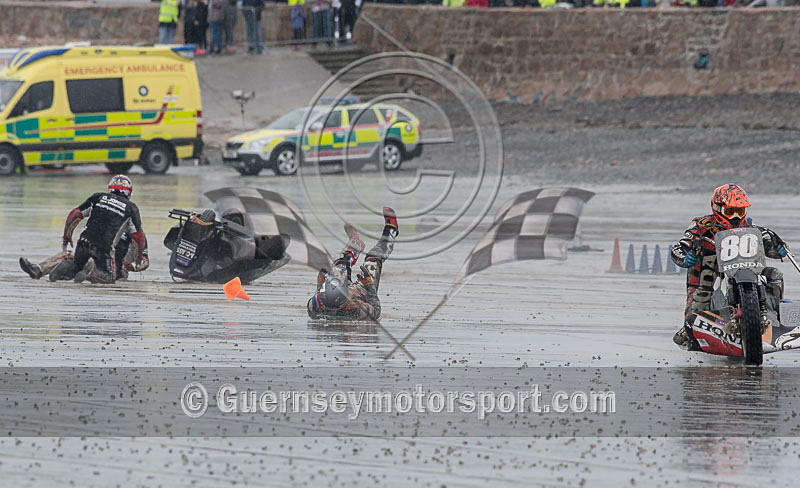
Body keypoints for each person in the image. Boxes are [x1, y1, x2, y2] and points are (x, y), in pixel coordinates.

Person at [669, 184, 787, 350]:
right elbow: (680, 246)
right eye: (731, 211)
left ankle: (774, 316)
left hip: (747, 267)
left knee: (775, 274)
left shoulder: (750, 226)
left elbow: (770, 246)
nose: (736, 217)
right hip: (709, 270)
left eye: (740, 211)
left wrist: (778, 249)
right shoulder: (701, 225)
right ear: (717, 208)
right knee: (699, 299)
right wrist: (684, 256)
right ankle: (693, 327)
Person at [41, 175, 150, 284]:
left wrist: (66, 236)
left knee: (77, 266)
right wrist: (138, 259)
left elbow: (74, 214)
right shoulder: (131, 208)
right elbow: (139, 237)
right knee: (109, 277)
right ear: (129, 192)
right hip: (104, 249)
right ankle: (92, 272)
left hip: (83, 243)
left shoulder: (98, 197)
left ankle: (68, 266)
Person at [308, 208, 398, 321]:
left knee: (340, 263)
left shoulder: (314, 305)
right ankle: (391, 230)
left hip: (339, 294)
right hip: (360, 292)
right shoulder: (357, 309)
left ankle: (356, 244)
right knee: (373, 259)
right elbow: (376, 311)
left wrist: (320, 282)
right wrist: (369, 286)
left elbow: (318, 291)